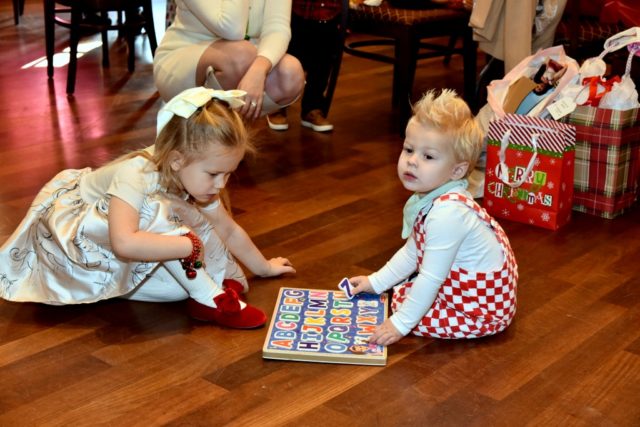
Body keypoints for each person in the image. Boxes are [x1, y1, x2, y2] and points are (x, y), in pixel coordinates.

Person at [0, 87, 296, 329]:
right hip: (73, 242)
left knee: (180, 284)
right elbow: (123, 242)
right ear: (177, 160)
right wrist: (186, 246)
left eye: (228, 174)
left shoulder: (194, 172)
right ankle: (209, 298)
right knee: (159, 214)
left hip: (119, 238)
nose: (221, 184)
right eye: (214, 174)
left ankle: (201, 289)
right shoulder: (137, 174)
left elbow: (227, 229)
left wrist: (263, 267)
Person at [349, 89, 518, 346]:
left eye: (428, 156)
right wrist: (376, 282)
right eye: (409, 149)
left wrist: (399, 324)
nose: (412, 161)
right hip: (463, 291)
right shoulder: (434, 199)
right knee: (406, 293)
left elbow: (430, 277)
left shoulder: (448, 214)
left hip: (480, 312)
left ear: (457, 170)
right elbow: (412, 252)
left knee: (404, 304)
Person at [153, 0, 305, 122]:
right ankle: (217, 136)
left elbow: (277, 28)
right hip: (183, 58)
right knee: (242, 55)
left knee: (290, 73)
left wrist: (259, 69)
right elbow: (232, 29)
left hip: (241, 57)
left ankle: (226, 132)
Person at [266, 0, 342, 132]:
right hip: (295, 11)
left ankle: (312, 107)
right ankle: (277, 104)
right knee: (287, 57)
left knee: (323, 62)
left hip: (329, 11)